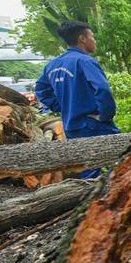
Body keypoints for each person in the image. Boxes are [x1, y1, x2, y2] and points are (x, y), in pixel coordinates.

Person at [35, 20, 119, 178]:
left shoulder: (52, 65)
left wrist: (62, 107)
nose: (94, 40)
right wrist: (105, 115)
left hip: (71, 127)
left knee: (88, 168)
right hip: (93, 124)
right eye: (92, 36)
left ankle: (92, 200)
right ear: (82, 38)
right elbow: (102, 89)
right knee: (120, 160)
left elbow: (41, 89)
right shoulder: (85, 61)